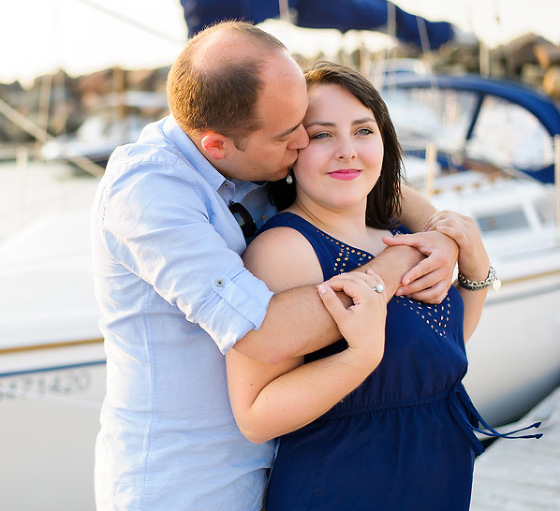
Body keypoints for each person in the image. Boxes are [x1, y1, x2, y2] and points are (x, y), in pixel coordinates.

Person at [90, 21, 460, 510]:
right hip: (183, 485)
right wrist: (404, 257)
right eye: (294, 135)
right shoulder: (148, 195)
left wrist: (441, 230)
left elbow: (366, 178)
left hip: (276, 469)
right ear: (215, 144)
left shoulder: (248, 155)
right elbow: (261, 331)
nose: (304, 146)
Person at [225, 61, 527, 510]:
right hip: (347, 484)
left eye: (363, 130)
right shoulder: (286, 250)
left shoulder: (397, 233)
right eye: (322, 134)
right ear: (291, 150)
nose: (347, 150)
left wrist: (476, 272)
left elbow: (440, 349)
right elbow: (256, 416)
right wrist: (359, 358)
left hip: (438, 478)